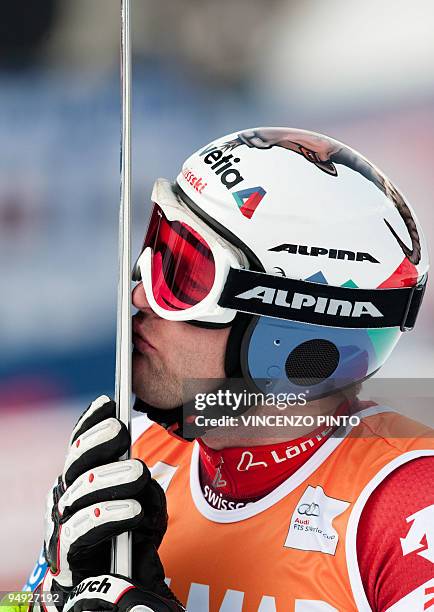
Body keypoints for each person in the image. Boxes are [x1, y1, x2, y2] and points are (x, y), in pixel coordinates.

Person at [26, 128, 434, 612]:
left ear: (289, 337)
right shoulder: (133, 461)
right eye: (155, 246)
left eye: (184, 273)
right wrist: (47, 599)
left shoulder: (408, 509)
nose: (139, 294)